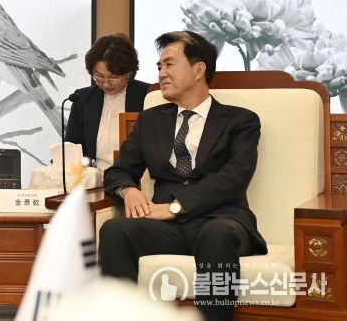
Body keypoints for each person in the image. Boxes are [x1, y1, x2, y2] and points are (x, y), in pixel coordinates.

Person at [99, 31, 267, 321]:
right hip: (167, 229)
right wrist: (128, 190)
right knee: (115, 230)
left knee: (216, 235)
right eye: (159, 66)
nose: (161, 73)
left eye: (169, 64)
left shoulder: (240, 120)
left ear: (199, 69)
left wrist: (178, 206)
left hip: (220, 220)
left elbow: (235, 176)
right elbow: (119, 171)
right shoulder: (150, 120)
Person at [65, 34, 150, 171]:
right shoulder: (83, 99)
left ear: (129, 72)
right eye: (99, 76)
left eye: (113, 77)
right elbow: (72, 147)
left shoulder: (148, 96)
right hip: (93, 179)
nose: (106, 83)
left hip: (136, 179)